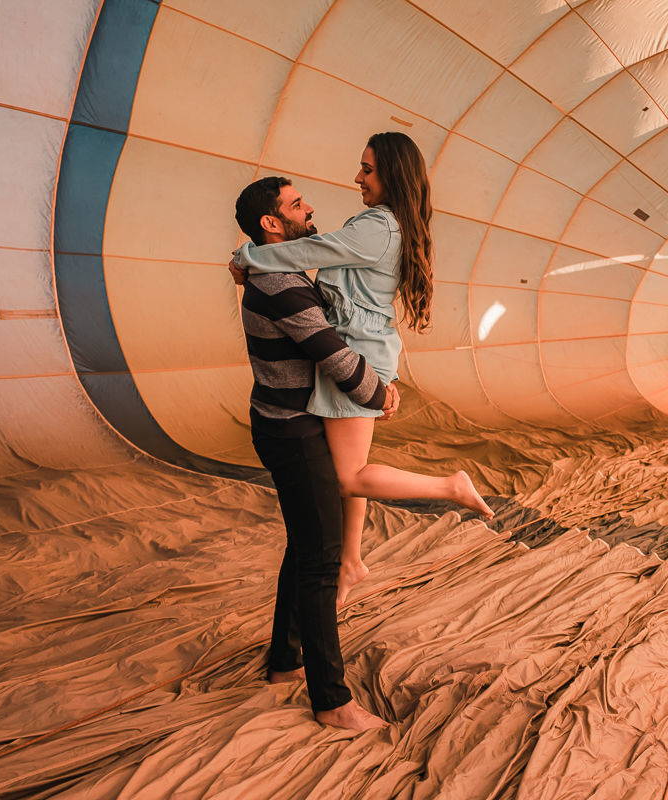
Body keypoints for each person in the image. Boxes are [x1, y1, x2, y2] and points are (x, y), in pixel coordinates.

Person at [230, 132, 494, 607]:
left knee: (349, 477)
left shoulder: (378, 228)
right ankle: (351, 559)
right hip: (363, 347)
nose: (358, 177)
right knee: (343, 468)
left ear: (391, 173)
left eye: (367, 169)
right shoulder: (383, 224)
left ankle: (449, 487)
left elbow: (307, 253)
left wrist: (247, 257)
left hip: (354, 353)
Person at [234, 176, 394, 731]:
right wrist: (382, 393)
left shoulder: (274, 270)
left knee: (304, 548)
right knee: (325, 562)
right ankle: (332, 701)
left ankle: (284, 663)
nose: (311, 209)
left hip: (279, 424)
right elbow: (332, 354)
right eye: (297, 205)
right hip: (294, 433)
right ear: (272, 225)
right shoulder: (279, 282)